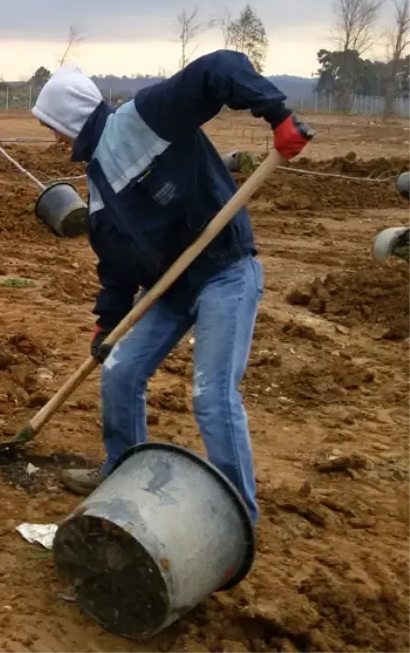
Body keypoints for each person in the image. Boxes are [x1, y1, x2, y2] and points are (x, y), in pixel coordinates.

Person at [30, 50, 313, 523]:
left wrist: (277, 114)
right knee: (119, 370)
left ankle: (235, 518)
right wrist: (108, 324)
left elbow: (219, 68)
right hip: (170, 286)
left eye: (52, 125)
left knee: (212, 395)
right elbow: (116, 265)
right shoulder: (97, 180)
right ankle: (122, 471)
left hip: (225, 269)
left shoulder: (146, 116)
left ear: (71, 117)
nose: (52, 137)